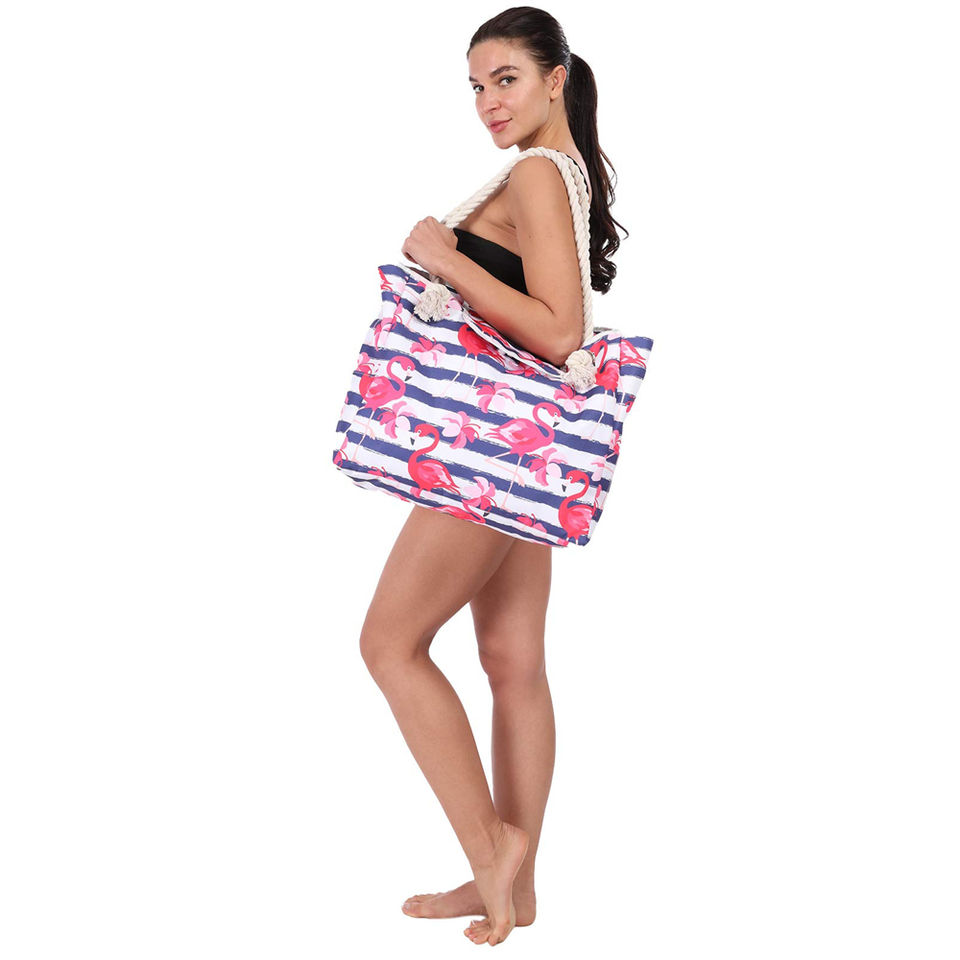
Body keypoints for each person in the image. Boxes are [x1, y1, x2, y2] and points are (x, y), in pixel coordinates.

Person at [358, 6, 626, 947]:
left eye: (505, 79)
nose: (487, 102)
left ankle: (492, 846)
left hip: (487, 449)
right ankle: (514, 890)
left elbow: (559, 332)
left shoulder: (536, 174)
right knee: (513, 663)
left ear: (556, 78)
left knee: (388, 643)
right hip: (521, 448)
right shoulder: (561, 173)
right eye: (476, 86)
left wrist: (443, 257)